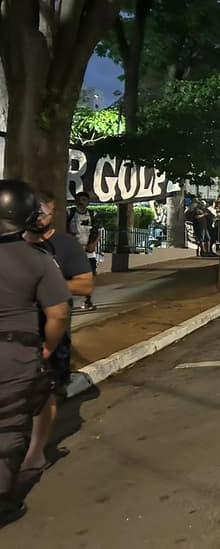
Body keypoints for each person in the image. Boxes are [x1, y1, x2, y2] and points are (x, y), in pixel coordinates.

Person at [0, 180, 70, 526]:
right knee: (10, 428)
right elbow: (58, 314)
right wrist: (48, 347)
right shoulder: (38, 260)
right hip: (15, 355)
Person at [22, 192, 94, 477]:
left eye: (46, 211)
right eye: (36, 211)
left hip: (51, 329)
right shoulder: (13, 243)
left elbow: (86, 286)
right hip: (15, 329)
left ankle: (35, 451)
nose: (41, 217)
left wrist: (45, 286)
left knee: (45, 390)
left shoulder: (65, 245)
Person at [66, 190, 100, 309]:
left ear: (88, 202)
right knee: (69, 277)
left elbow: (97, 232)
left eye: (84, 200)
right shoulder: (69, 212)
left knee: (89, 276)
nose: (81, 202)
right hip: (71, 251)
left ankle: (88, 301)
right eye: (79, 200)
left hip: (88, 251)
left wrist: (93, 244)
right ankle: (68, 303)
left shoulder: (92, 214)